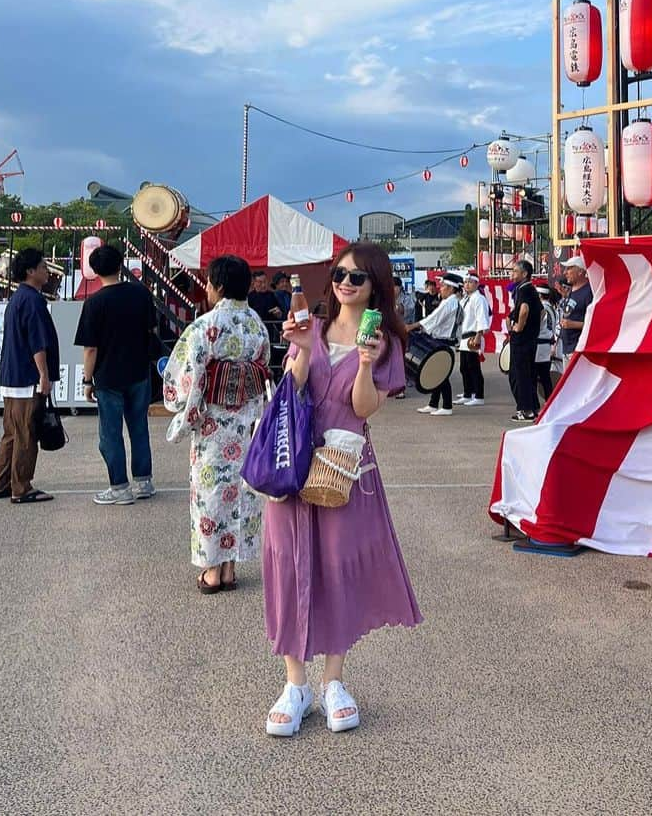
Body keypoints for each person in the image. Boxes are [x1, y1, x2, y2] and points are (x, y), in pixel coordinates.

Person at [263, 241, 421, 737]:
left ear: (375, 285)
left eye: (357, 276)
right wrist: (304, 351)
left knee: (338, 568)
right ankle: (294, 682)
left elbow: (364, 409)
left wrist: (367, 363)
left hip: (342, 470)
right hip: (292, 462)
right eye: (339, 273)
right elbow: (293, 389)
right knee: (289, 566)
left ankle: (333, 680)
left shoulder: (384, 341)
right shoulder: (311, 325)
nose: (345, 282)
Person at [162, 255, 270, 593]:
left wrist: (185, 410)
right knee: (240, 492)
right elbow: (263, 370)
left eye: (208, 283)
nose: (206, 289)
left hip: (213, 424)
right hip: (247, 423)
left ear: (219, 286)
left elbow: (187, 377)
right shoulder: (257, 325)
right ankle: (229, 569)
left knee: (210, 493)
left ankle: (211, 572)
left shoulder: (205, 326)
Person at [75, 243, 158, 505]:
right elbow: (150, 331)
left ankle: (120, 487)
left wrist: (87, 380)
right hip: (139, 372)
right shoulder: (141, 294)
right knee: (139, 428)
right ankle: (143, 482)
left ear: (94, 270)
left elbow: (90, 349)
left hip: (108, 377)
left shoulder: (94, 303)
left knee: (110, 433)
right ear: (120, 264)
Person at [0, 247, 59, 504]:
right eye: (42, 267)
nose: (46, 271)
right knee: (27, 433)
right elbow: (37, 342)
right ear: (30, 271)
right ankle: (22, 487)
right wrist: (44, 375)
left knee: (11, 433)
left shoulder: (17, 299)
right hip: (27, 377)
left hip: (11, 376)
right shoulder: (33, 300)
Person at [407, 272, 463, 415]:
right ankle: (433, 404)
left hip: (444, 341)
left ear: (451, 288)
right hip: (441, 341)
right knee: (437, 374)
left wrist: (412, 326)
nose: (440, 288)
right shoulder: (451, 302)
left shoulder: (450, 302)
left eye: (443, 286)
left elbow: (434, 319)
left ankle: (447, 406)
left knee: (441, 375)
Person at [507, 259, 542, 421]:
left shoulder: (524, 289)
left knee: (518, 375)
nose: (512, 274)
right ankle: (533, 408)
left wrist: (519, 327)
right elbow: (541, 312)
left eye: (515, 271)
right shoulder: (529, 290)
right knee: (528, 375)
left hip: (522, 340)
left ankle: (525, 409)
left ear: (524, 274)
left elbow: (524, 309)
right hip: (530, 339)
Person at [454, 270, 491, 406]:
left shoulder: (479, 299)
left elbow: (481, 318)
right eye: (465, 282)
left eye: (470, 282)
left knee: (473, 367)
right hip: (463, 337)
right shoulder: (465, 299)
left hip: (473, 336)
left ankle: (479, 395)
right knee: (464, 367)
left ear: (476, 283)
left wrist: (478, 336)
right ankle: (467, 393)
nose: (467, 285)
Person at [558, 256, 594, 362]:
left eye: (569, 268)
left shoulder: (589, 292)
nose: (565, 272)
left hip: (579, 349)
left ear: (580, 272)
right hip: (566, 348)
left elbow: (595, 323)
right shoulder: (572, 291)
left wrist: (573, 324)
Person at [534, 285, 559, 404]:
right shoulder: (551, 307)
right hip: (546, 345)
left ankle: (535, 404)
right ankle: (549, 401)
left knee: (536, 376)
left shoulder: (542, 307)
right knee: (545, 377)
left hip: (539, 345)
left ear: (539, 295)